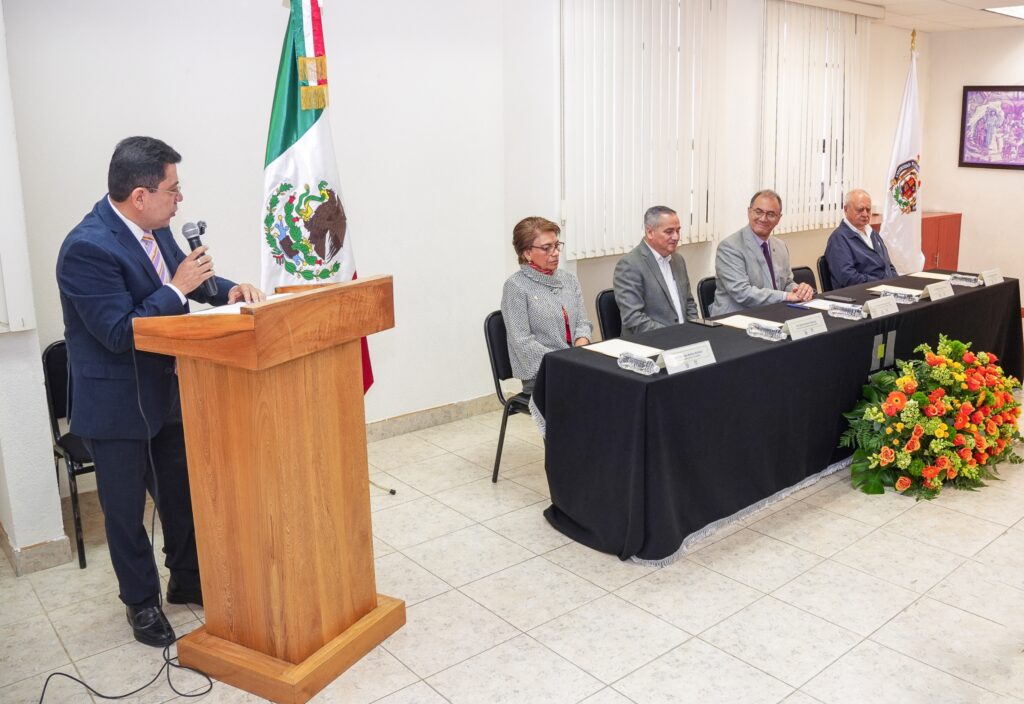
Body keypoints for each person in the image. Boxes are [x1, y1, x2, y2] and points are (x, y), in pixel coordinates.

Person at [56, 136, 265, 647]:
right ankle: (142, 604)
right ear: (140, 196)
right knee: (126, 514)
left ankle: (187, 579)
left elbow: (189, 281)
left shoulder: (157, 227)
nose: (180, 198)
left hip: (167, 393)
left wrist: (228, 290)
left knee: (181, 495)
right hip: (115, 406)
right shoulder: (86, 248)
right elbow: (119, 331)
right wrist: (176, 288)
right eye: (173, 189)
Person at [501, 217, 592, 394]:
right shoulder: (515, 287)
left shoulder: (569, 279)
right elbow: (522, 342)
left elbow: (583, 322)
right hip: (542, 374)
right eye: (546, 248)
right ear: (527, 253)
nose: (555, 252)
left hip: (576, 363)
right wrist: (565, 361)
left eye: (557, 245)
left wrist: (581, 345)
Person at [709, 189, 814, 316]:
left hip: (771, 314)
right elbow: (742, 293)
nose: (763, 219)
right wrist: (786, 296)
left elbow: (786, 283)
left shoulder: (780, 246)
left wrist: (800, 291)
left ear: (778, 218)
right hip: (735, 318)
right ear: (749, 212)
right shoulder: (729, 247)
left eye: (771, 214)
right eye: (758, 212)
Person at [612, 206, 699, 334]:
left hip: (685, 337)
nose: (676, 237)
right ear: (650, 232)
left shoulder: (678, 260)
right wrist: (674, 335)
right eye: (669, 232)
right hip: (650, 341)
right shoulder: (629, 265)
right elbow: (633, 318)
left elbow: (689, 303)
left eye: (678, 231)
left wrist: (694, 330)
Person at [823, 189, 898, 289]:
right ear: (846, 209)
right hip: (860, 293)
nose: (865, 214)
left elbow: (888, 266)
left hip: (884, 289)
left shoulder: (873, 233)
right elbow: (848, 278)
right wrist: (881, 283)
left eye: (868, 209)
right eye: (860, 209)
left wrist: (897, 284)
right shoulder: (838, 239)